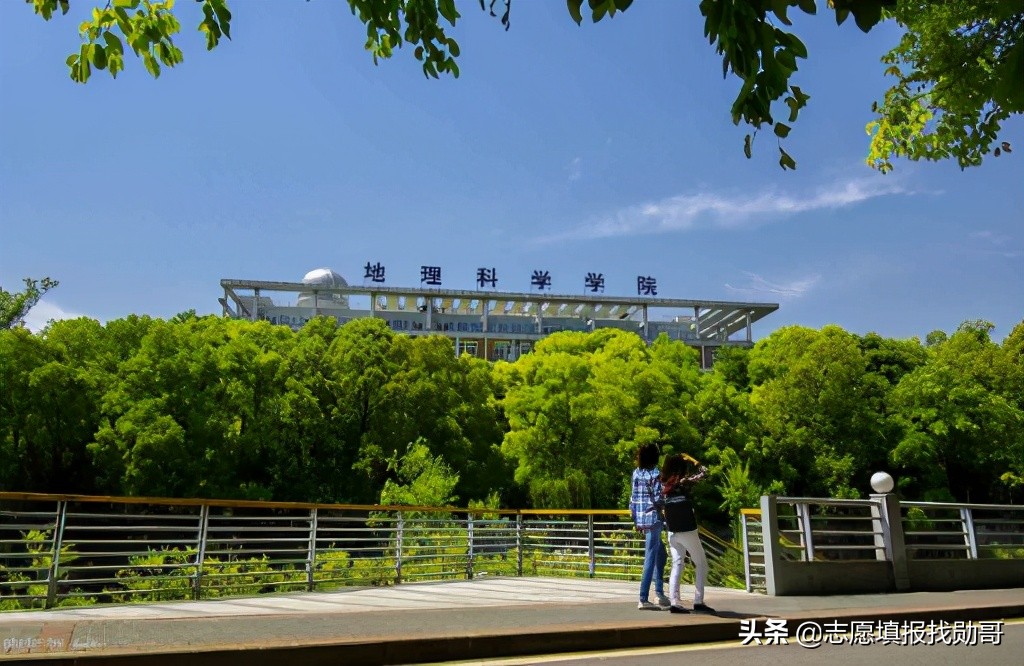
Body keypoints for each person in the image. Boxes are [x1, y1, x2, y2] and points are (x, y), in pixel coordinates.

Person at [659, 453, 714, 614]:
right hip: (687, 528)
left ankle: (674, 602)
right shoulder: (684, 482)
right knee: (701, 563)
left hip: (671, 530)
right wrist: (694, 460)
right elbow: (705, 472)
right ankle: (698, 601)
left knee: (677, 563)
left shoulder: (663, 483)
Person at [629, 443, 670, 610]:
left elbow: (633, 497)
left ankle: (659, 592)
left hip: (641, 518)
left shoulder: (636, 473)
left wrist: (635, 518)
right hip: (654, 518)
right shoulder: (655, 473)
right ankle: (643, 598)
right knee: (651, 556)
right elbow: (660, 497)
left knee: (661, 554)